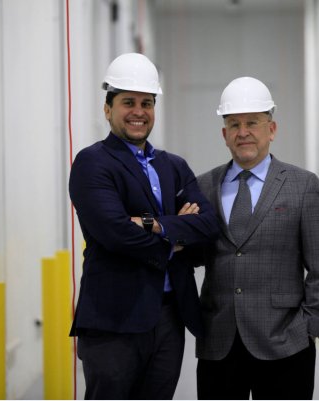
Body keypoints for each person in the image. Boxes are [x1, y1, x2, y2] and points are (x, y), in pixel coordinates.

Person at [68, 52, 219, 400]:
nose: (139, 111)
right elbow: (116, 233)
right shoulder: (92, 163)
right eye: (128, 102)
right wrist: (177, 234)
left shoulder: (174, 166)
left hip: (169, 316)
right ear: (108, 110)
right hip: (113, 320)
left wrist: (152, 224)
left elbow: (208, 225)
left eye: (147, 103)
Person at [195, 76, 319, 400]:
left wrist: (309, 328)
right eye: (234, 124)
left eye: (252, 123)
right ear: (224, 134)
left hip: (286, 344)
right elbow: (192, 255)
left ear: (271, 129)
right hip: (219, 344)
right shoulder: (204, 187)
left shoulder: (302, 186)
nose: (243, 132)